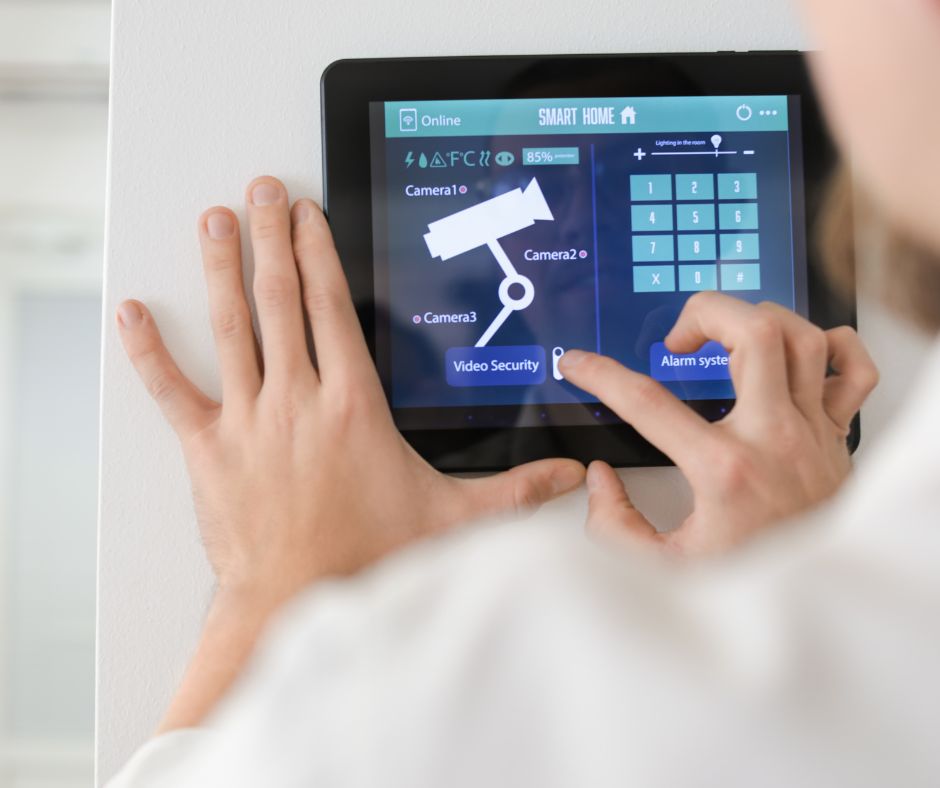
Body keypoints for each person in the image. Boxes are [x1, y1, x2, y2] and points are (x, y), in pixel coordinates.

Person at [107, 1, 940, 785]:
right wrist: (795, 596)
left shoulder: (493, 654)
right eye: (535, 193)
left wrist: (271, 589)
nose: (575, 224)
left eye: (613, 180)